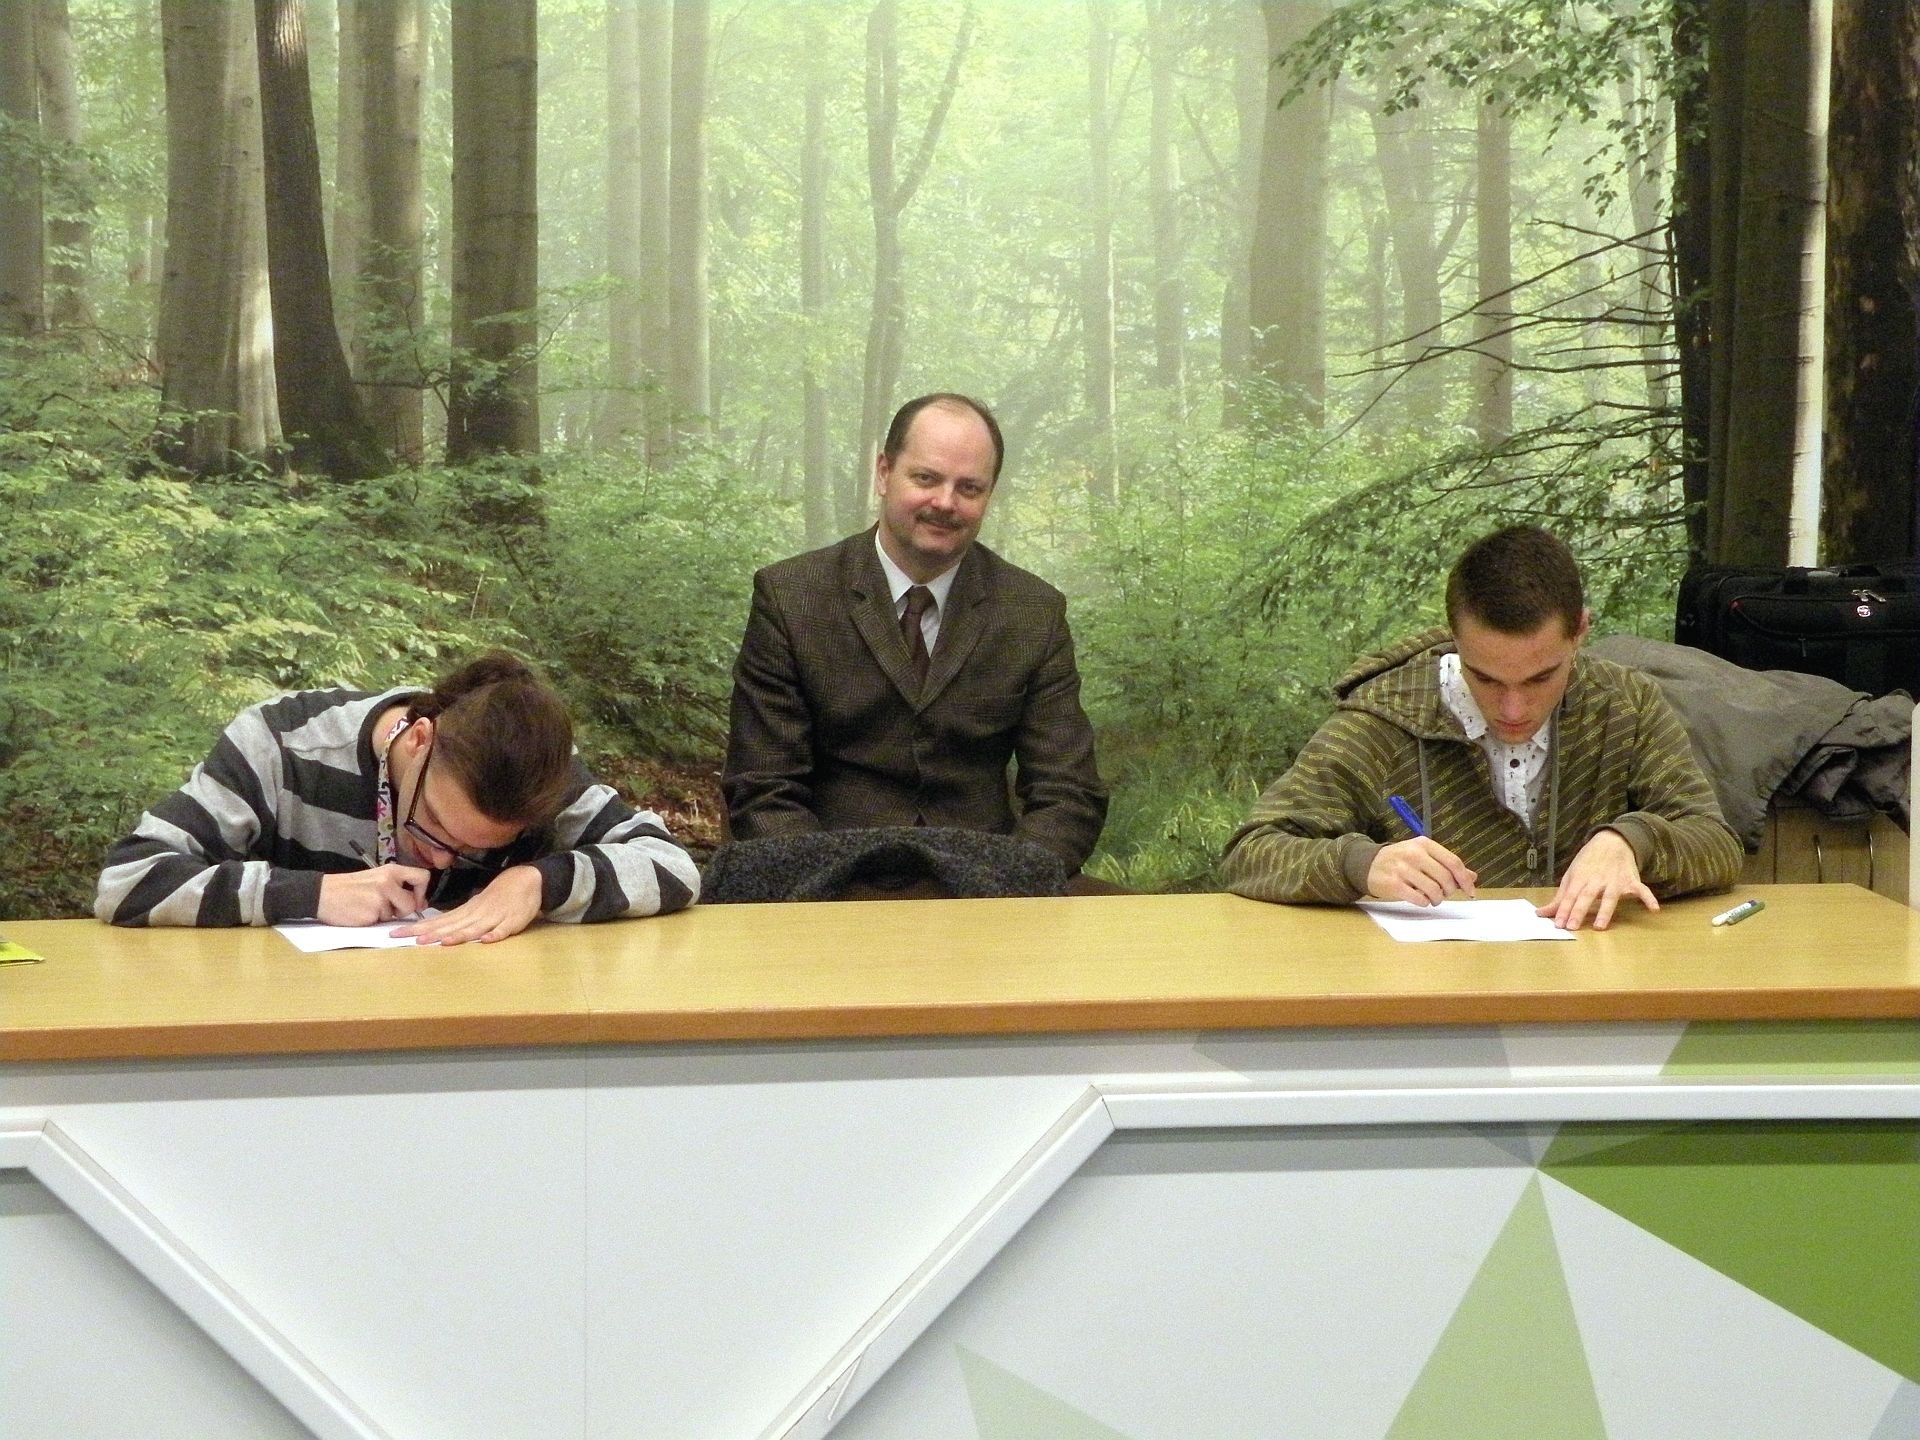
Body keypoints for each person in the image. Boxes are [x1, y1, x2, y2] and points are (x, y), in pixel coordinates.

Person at [1220, 525, 1741, 930]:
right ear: (1455, 637)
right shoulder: (1382, 722)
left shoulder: (1626, 706)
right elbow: (1251, 853)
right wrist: (1361, 864)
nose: (1513, 708)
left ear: (1581, 631)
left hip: (1587, 987)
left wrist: (1632, 841)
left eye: (1540, 678)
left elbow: (1716, 843)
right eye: (1486, 678)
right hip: (1430, 998)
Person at [722, 392, 1107, 874]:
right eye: (926, 478)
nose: (945, 502)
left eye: (969, 488)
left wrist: (1009, 883)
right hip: (829, 884)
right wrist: (828, 891)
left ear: (989, 495)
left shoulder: (1033, 611)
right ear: (884, 473)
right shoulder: (792, 597)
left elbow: (1069, 793)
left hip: (989, 884)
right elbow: (762, 788)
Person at [96, 651, 700, 942]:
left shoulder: (535, 771)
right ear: (418, 739)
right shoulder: (282, 745)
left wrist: (538, 880)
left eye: (478, 851)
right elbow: (129, 880)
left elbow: (672, 865)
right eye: (433, 825)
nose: (440, 861)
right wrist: (309, 894)